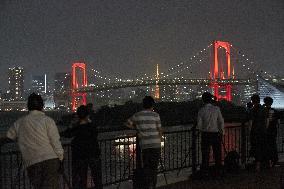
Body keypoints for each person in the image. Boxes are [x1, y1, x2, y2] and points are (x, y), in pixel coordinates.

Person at [0, 93, 64, 189]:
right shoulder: (48, 121)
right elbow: (56, 142)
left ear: (28, 106)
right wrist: (61, 159)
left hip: (32, 162)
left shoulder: (19, 122)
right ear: (42, 106)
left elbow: (8, 137)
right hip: (50, 160)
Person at [61, 105, 102, 189]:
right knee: (97, 178)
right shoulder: (92, 126)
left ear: (78, 116)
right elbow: (95, 133)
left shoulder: (77, 128)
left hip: (80, 156)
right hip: (94, 154)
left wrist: (71, 124)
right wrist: (89, 120)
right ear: (88, 115)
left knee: (81, 180)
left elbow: (66, 134)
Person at [126, 96, 162, 189]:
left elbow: (127, 123)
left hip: (145, 145)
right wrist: (159, 139)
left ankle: (146, 186)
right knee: (154, 168)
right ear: (152, 105)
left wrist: (137, 128)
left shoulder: (137, 115)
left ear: (143, 105)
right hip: (156, 145)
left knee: (147, 167)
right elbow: (160, 130)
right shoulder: (156, 115)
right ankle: (152, 186)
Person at [197, 92, 224, 174]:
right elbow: (221, 121)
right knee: (217, 153)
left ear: (203, 100)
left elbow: (199, 124)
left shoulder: (201, 110)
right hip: (215, 134)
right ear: (211, 99)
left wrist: (201, 130)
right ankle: (218, 170)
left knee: (205, 154)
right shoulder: (217, 109)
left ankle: (205, 171)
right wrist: (222, 132)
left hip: (205, 134)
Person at [249, 94, 267, 171]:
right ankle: (263, 164)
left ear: (252, 101)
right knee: (262, 147)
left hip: (255, 131)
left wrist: (249, 131)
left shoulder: (253, 109)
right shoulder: (263, 109)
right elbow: (266, 120)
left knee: (256, 147)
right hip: (263, 131)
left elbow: (251, 121)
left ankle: (257, 165)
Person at [263, 96, 280, 167]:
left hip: (265, 131)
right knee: (273, 146)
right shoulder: (275, 111)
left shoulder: (263, 111)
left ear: (265, 102)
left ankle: (266, 161)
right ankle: (274, 161)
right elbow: (278, 122)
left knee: (265, 146)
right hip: (273, 131)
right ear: (272, 103)